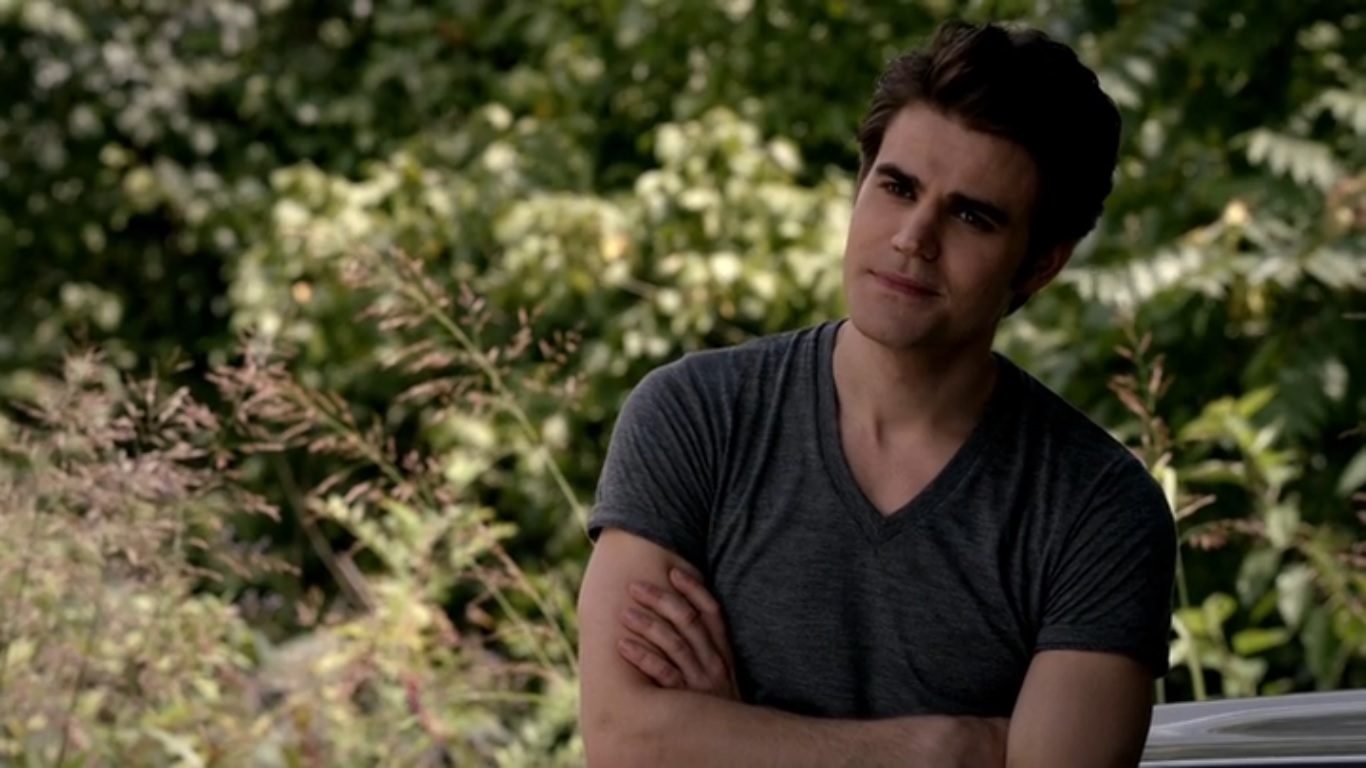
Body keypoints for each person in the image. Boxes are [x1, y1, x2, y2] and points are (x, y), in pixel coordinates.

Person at [576, 18, 1177, 768]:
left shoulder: (1097, 509)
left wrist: (732, 736)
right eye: (897, 187)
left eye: (971, 215)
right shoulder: (697, 416)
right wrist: (941, 748)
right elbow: (626, 741)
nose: (913, 238)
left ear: (1039, 265)